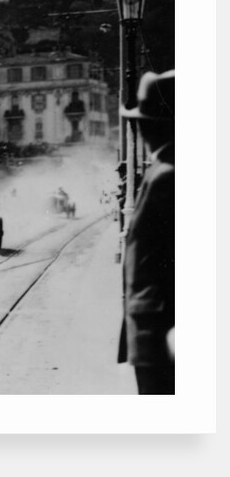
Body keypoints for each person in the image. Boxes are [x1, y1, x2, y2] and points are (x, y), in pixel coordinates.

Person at [117, 70, 175, 395]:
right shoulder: (166, 169)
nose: (139, 127)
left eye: (144, 120)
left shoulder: (167, 176)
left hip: (160, 338)